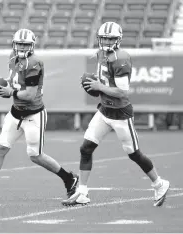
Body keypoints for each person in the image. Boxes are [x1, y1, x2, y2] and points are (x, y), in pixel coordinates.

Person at [62, 22, 170, 207]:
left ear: (118, 40)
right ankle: (82, 192)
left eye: (110, 38)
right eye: (103, 38)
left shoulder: (121, 58)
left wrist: (98, 86)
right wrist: (94, 82)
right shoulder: (101, 54)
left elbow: (122, 92)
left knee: (133, 153)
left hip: (120, 114)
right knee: (86, 148)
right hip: (104, 111)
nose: (106, 41)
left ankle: (159, 184)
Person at [0, 29, 78, 200]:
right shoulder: (13, 57)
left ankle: (69, 178)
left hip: (33, 115)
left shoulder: (34, 63)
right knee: (0, 149)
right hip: (16, 113)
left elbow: (30, 94)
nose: (22, 47)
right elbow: (14, 80)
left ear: (32, 46)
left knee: (36, 156)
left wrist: (10, 92)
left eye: (25, 44)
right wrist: (5, 86)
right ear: (14, 44)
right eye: (19, 44)